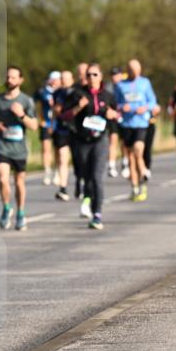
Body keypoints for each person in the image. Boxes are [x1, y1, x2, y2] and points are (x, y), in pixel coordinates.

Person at [70, 63, 118, 229]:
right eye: (89, 75)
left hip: (100, 140)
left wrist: (113, 114)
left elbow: (117, 114)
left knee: (97, 177)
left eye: (94, 74)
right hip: (82, 141)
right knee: (87, 177)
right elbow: (65, 114)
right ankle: (88, 198)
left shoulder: (108, 95)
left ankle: (97, 214)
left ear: (101, 76)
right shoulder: (78, 94)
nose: (91, 77)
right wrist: (78, 107)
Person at [0, 66, 39, 230]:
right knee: (2, 178)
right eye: (7, 77)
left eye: (13, 77)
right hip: (2, 145)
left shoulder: (26, 101)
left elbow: (34, 126)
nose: (9, 80)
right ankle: (6, 208)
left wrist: (21, 115)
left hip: (19, 147)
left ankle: (21, 213)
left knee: (19, 182)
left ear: (20, 80)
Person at [114, 59, 157, 201]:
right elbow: (116, 103)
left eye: (137, 70)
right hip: (127, 124)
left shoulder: (145, 83)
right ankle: (135, 187)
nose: (135, 72)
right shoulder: (120, 85)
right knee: (131, 158)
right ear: (128, 70)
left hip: (141, 123)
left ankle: (143, 177)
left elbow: (152, 102)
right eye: (132, 70)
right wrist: (121, 107)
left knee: (138, 150)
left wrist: (145, 108)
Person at [51, 70, 76, 200]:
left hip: (76, 130)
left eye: (67, 78)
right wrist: (51, 123)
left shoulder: (77, 93)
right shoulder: (57, 93)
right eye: (62, 78)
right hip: (61, 129)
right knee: (62, 157)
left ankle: (80, 183)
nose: (64, 81)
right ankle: (63, 188)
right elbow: (54, 110)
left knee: (78, 160)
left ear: (72, 79)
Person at [33, 71, 61, 185]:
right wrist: (38, 118)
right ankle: (47, 171)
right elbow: (31, 103)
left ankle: (57, 171)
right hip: (46, 123)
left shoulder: (62, 92)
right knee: (46, 148)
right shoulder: (43, 91)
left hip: (58, 124)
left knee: (58, 149)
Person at [106, 67, 124, 177]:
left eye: (116, 75)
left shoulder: (125, 86)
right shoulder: (108, 87)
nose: (114, 77)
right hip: (113, 117)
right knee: (113, 140)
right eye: (113, 75)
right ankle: (111, 165)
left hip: (125, 117)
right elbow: (105, 102)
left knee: (125, 142)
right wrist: (113, 113)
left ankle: (125, 163)